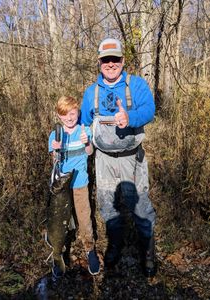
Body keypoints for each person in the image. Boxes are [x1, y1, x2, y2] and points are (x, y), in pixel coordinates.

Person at [80, 38, 157, 277]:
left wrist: (130, 118)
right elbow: (84, 123)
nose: (110, 64)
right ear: (99, 62)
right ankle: (115, 244)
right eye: (106, 59)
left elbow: (149, 110)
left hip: (131, 157)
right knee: (107, 205)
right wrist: (82, 140)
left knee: (140, 206)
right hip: (103, 159)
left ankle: (147, 251)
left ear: (123, 61)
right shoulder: (91, 92)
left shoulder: (137, 85)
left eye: (115, 59)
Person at [48, 95, 100, 277]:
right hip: (61, 189)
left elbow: (90, 152)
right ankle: (58, 253)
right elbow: (54, 161)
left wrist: (87, 142)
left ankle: (89, 248)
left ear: (78, 113)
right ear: (58, 116)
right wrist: (55, 148)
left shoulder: (84, 130)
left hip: (80, 184)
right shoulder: (56, 134)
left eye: (73, 113)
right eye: (65, 114)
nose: (69, 117)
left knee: (84, 218)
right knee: (59, 223)